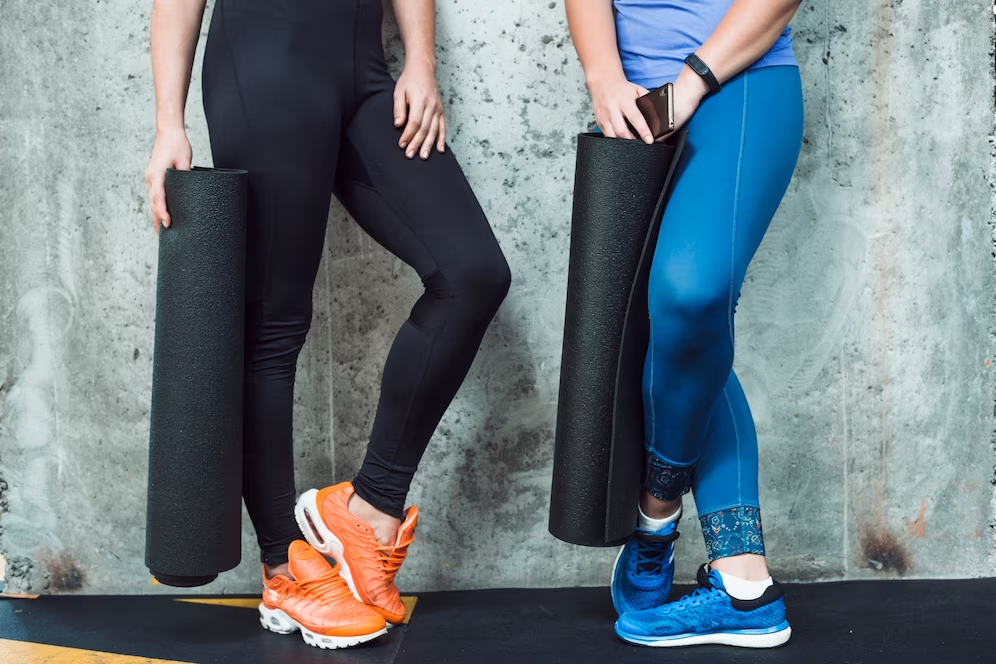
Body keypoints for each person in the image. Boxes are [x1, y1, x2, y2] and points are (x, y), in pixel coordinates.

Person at [144, 0, 510, 649]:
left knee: (472, 273)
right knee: (273, 327)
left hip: (364, 67)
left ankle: (368, 508)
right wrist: (167, 122)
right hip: (265, 65)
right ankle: (285, 567)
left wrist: (420, 62)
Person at [564, 0, 804, 648]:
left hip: (740, 81)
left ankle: (655, 521)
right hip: (632, 95)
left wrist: (692, 81)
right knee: (672, 327)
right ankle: (744, 583)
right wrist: (603, 77)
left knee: (690, 294)